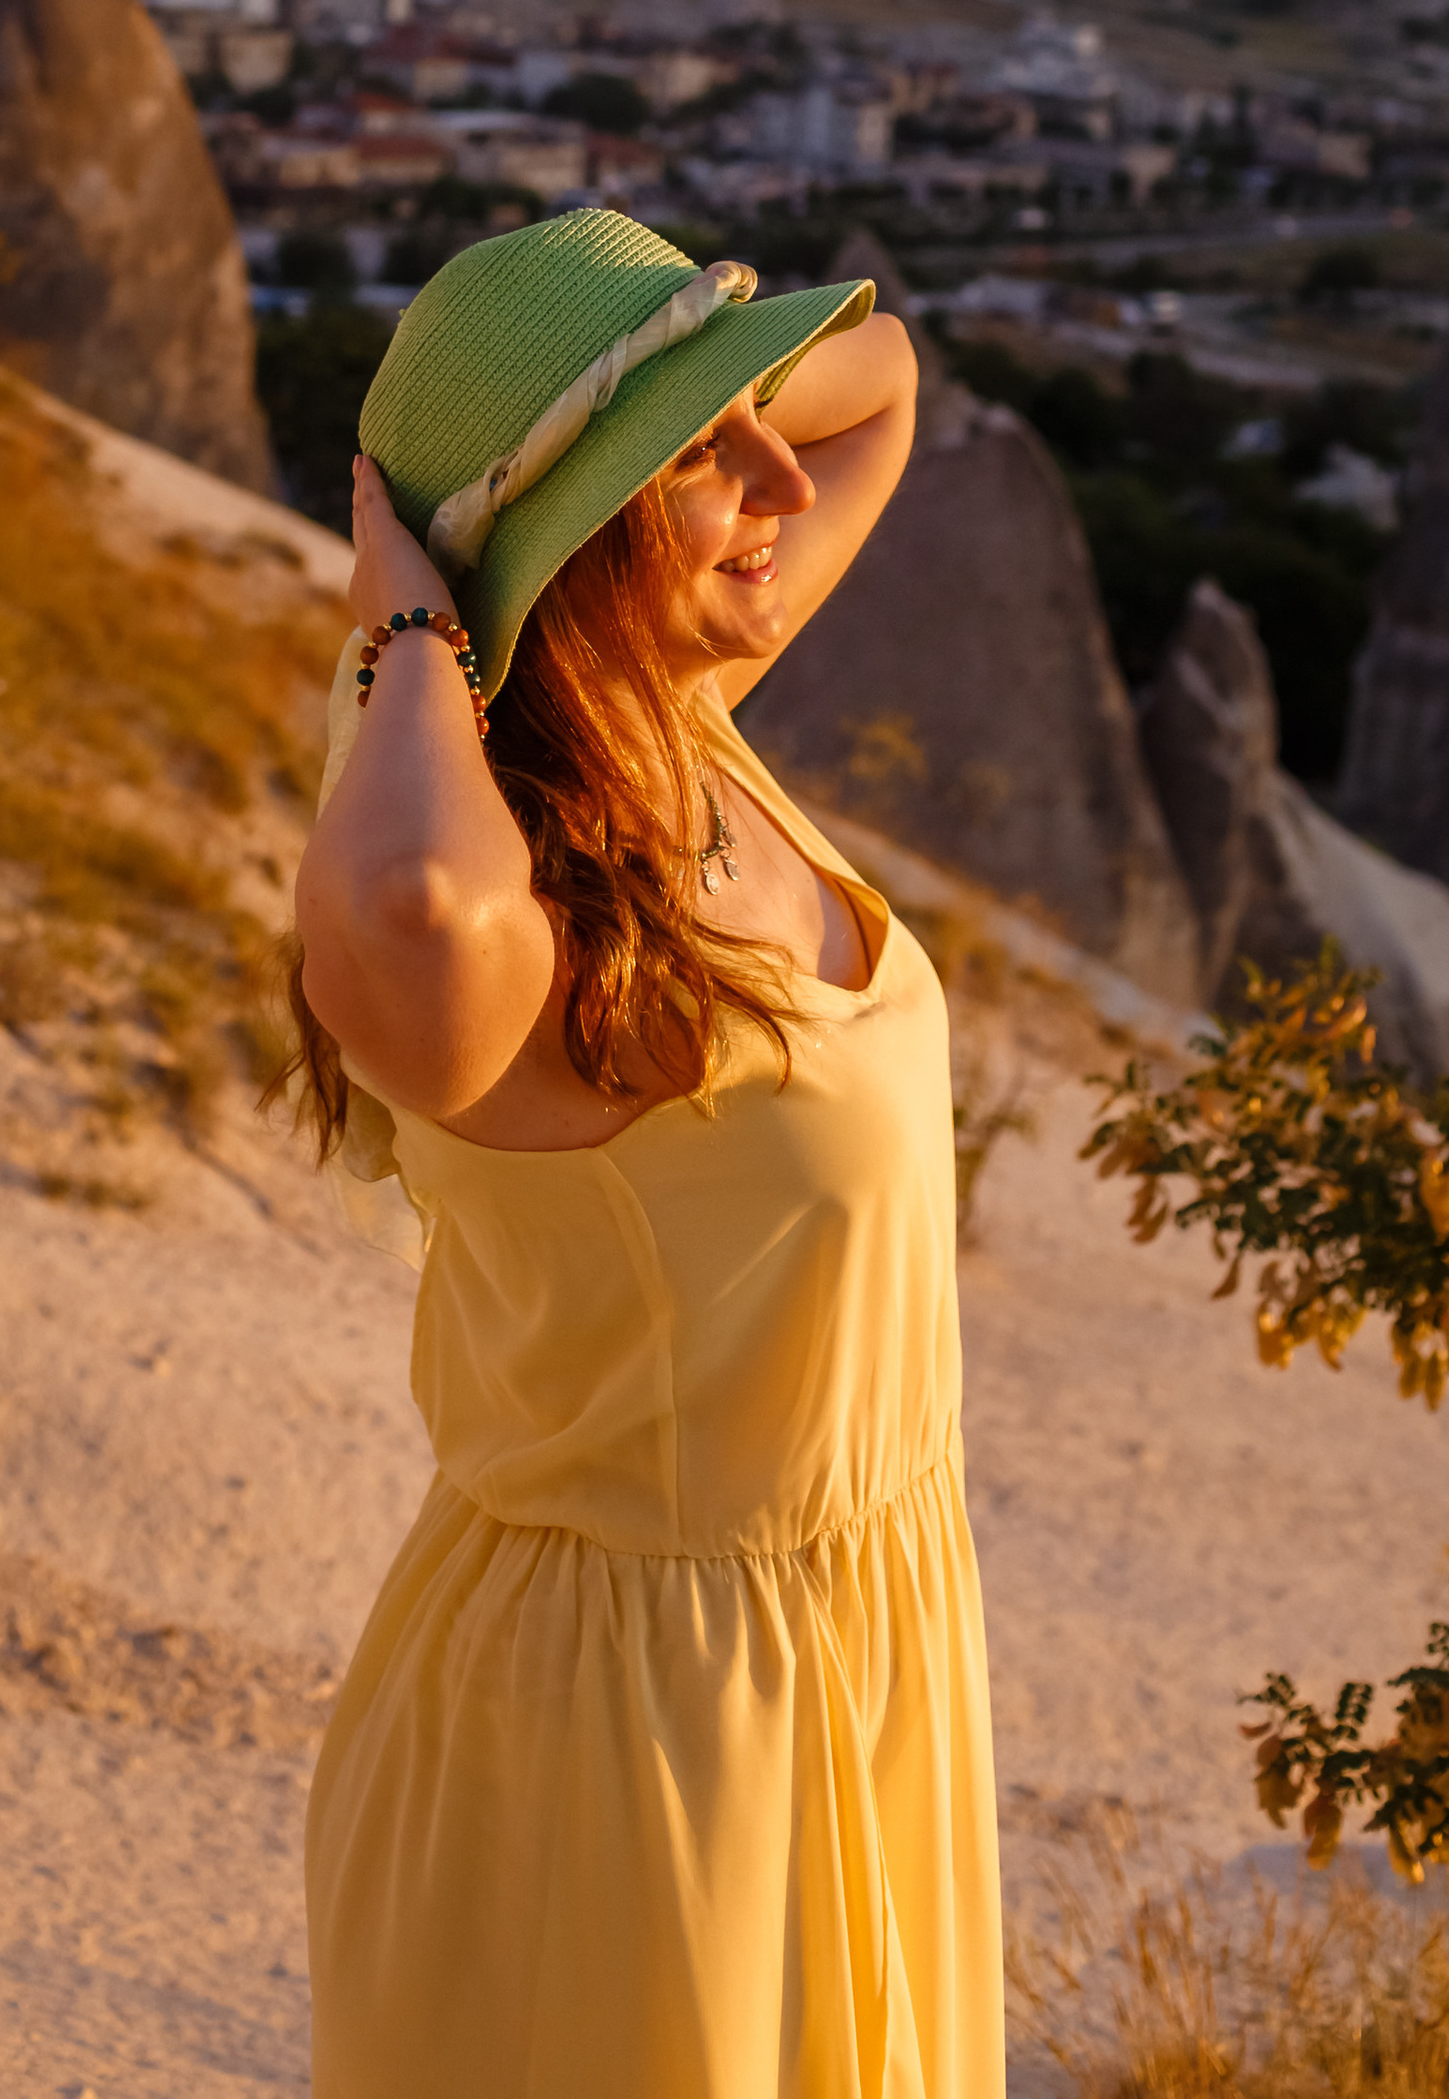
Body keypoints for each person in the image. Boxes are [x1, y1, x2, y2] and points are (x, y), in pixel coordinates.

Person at [279, 206, 1002, 2099]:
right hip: (627, 1736)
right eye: (698, 460)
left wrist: (692, 363)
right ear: (566, 545)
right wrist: (418, 614)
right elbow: (411, 901)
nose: (777, 472)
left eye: (744, 424)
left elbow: (884, 385)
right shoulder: (519, 901)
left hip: (851, 1649)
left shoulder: (670, 724)